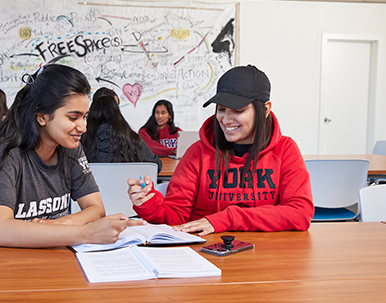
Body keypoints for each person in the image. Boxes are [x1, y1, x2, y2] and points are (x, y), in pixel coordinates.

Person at [0, 63, 145, 248]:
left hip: (38, 254)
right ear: (41, 116)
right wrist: (86, 233)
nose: (83, 127)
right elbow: (0, 232)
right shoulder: (6, 153)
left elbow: (96, 209)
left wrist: (58, 224)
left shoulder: (70, 147)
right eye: (73, 117)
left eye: (85, 116)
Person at [127, 65, 314, 235]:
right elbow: (176, 217)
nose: (226, 119)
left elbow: (300, 213)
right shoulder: (197, 153)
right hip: (206, 253)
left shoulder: (285, 150)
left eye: (238, 111)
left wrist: (227, 218)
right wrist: (148, 203)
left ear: (265, 109)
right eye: (221, 109)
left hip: (265, 256)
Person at [81, 95, 162, 172]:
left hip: (91, 186)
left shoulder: (81, 140)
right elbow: (155, 165)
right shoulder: (131, 138)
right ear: (117, 112)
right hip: (126, 186)